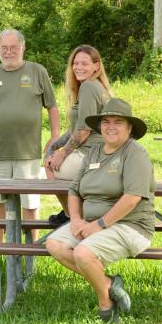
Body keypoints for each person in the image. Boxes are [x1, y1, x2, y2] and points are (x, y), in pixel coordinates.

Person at [45, 98, 155, 324]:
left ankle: (105, 305)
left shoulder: (135, 153)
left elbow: (132, 198)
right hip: (90, 222)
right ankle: (108, 284)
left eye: (118, 122)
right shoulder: (93, 152)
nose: (110, 127)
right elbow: (74, 190)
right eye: (106, 121)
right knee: (54, 244)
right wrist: (75, 220)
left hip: (130, 225)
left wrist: (98, 225)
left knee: (83, 253)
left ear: (129, 128)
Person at [0, 29, 60, 244]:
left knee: (29, 203)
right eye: (4, 48)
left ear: (22, 48)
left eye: (13, 47)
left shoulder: (37, 72)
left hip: (28, 152)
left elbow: (52, 106)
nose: (8, 52)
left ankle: (31, 251)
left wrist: (55, 135)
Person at [44, 45, 112, 226]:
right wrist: (55, 144)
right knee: (51, 155)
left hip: (92, 156)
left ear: (96, 66)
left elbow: (83, 131)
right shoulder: (96, 86)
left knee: (49, 164)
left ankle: (70, 215)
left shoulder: (89, 87)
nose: (78, 67)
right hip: (99, 154)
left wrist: (62, 152)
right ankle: (74, 211)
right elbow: (77, 126)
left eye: (84, 63)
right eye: (75, 63)